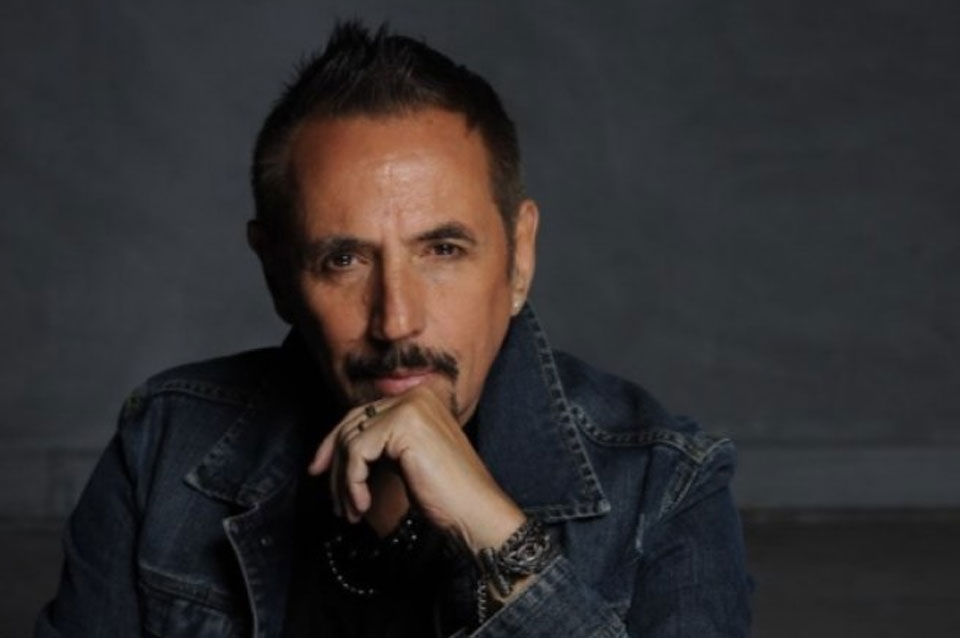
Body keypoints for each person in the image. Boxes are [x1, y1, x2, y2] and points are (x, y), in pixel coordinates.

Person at [36, 21, 751, 638]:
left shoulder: (665, 483)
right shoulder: (164, 445)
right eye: (343, 260)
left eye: (443, 250)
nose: (396, 320)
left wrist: (496, 535)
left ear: (519, 257)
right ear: (277, 274)